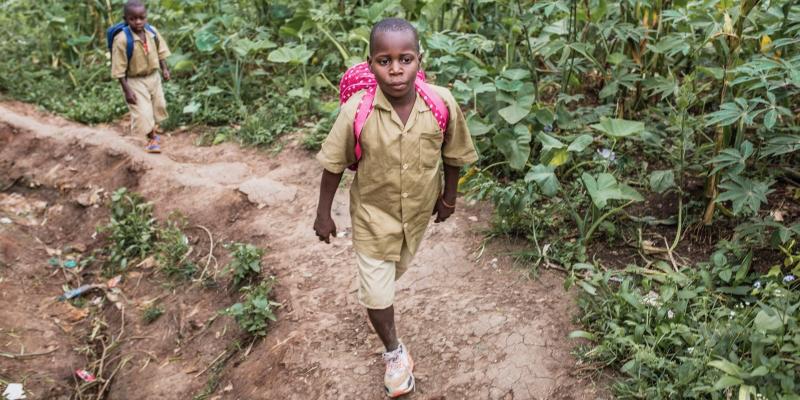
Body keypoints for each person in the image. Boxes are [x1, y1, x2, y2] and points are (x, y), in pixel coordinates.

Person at [313, 18, 478, 398]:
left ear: (419, 60)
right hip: (373, 216)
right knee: (377, 292)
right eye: (384, 61)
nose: (396, 70)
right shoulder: (358, 109)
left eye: (405, 59)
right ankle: (394, 353)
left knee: (394, 271)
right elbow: (333, 165)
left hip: (417, 214)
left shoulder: (440, 103)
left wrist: (449, 196)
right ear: (370, 63)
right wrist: (324, 214)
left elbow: (453, 155)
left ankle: (385, 304)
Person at [110, 0, 171, 153]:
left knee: (159, 106)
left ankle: (153, 131)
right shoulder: (122, 39)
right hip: (135, 80)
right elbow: (119, 68)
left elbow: (161, 53)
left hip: (153, 77)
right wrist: (127, 90)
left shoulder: (152, 32)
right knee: (143, 112)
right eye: (133, 19)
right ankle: (151, 140)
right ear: (126, 19)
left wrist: (165, 69)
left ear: (146, 17)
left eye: (141, 18)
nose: (138, 22)